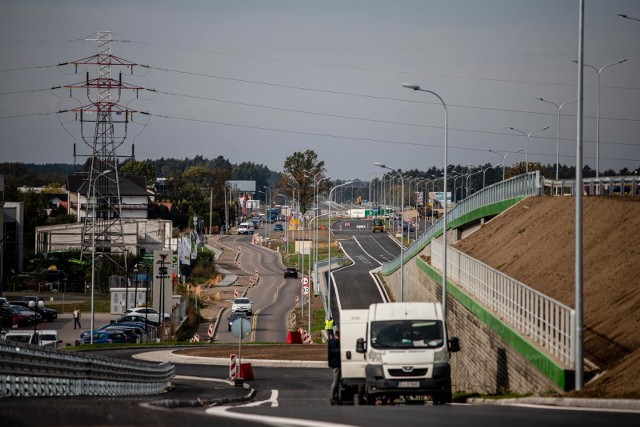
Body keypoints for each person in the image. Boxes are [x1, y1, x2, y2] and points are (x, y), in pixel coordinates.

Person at [327, 330, 341, 405]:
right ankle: (332, 397)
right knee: (336, 380)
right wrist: (340, 350)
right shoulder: (334, 342)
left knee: (337, 380)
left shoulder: (332, 341)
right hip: (336, 363)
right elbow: (333, 350)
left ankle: (335, 396)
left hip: (334, 363)